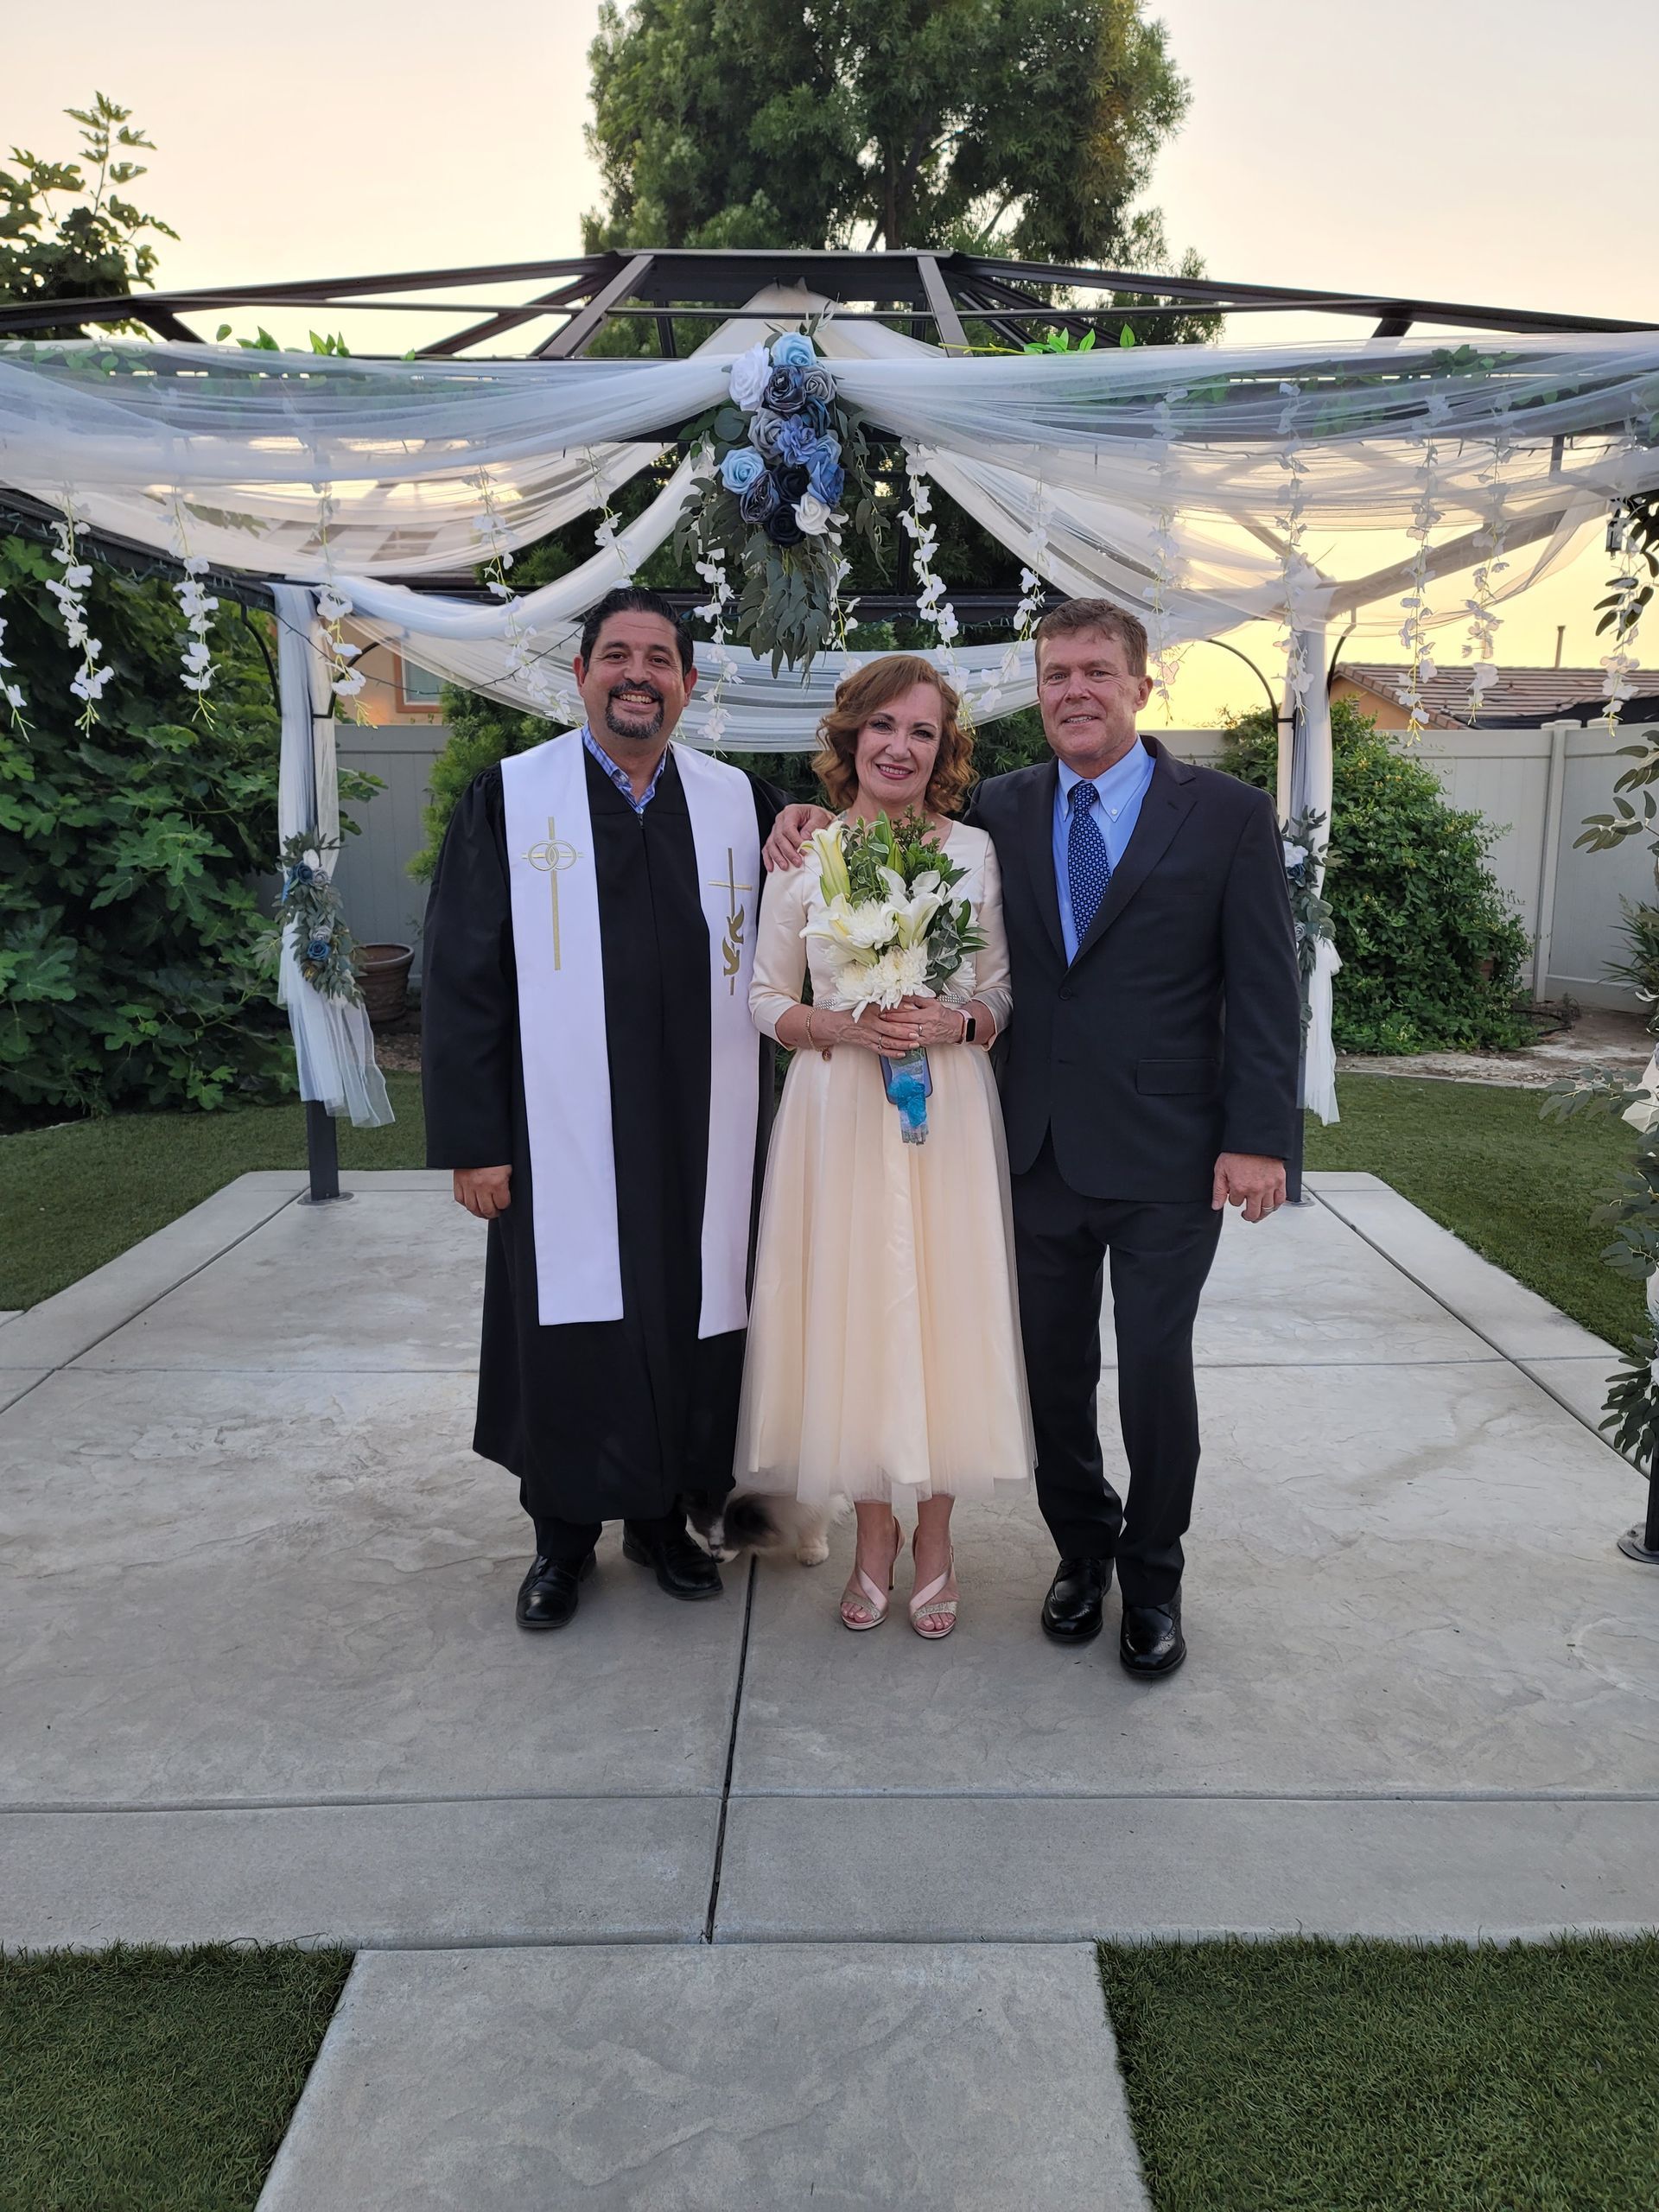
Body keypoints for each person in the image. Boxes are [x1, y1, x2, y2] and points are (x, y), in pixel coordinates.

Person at [764, 601, 1300, 1676]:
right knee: (1054, 1376)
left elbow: (1265, 986)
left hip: (1166, 1150)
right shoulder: (1005, 810)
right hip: (1032, 1150)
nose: (1075, 692)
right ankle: (1081, 1554)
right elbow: (880, 820)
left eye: (1097, 671)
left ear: (1143, 686)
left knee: (1153, 1372)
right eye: (1056, 674)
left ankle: (1153, 1581)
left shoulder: (1229, 814)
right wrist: (793, 820)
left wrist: (1259, 1139)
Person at [422, 585, 782, 1632]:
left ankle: (668, 1517)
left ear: (687, 683)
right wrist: (475, 1141)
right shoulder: (513, 798)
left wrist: (808, 820)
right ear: (580, 676)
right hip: (561, 1131)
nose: (637, 674)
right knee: (572, 1324)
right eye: (615, 654)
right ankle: (562, 1538)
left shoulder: (733, 804)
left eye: (658, 658)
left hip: (700, 1127)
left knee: (693, 1318)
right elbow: (462, 980)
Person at [737, 655, 1032, 1636]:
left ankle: (937, 1538)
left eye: (923, 731)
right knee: (855, 1313)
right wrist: (842, 1029)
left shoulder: (976, 854)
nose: (901, 747)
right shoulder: (802, 856)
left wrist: (958, 1024)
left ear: (944, 749)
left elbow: (1000, 989)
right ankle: (872, 1539)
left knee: (945, 1309)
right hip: (838, 1115)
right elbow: (766, 998)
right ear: (850, 737)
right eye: (883, 727)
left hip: (944, 1111)